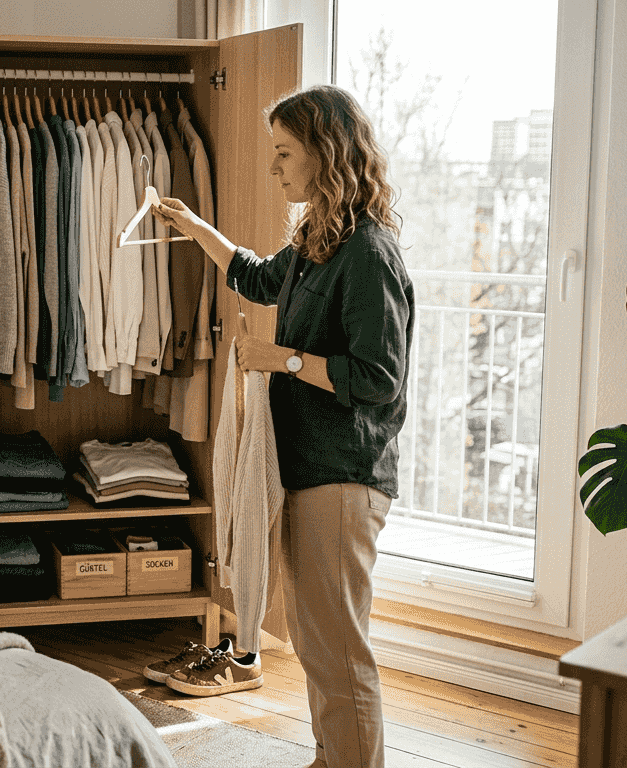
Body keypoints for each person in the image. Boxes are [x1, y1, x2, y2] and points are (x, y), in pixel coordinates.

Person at [152, 84, 413, 768]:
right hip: (307, 464)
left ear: (326, 153)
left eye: (284, 153)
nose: (276, 169)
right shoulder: (317, 236)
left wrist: (284, 358)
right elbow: (262, 279)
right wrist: (196, 228)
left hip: (343, 472)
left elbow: (378, 380)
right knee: (314, 638)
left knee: (336, 645)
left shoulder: (368, 254)